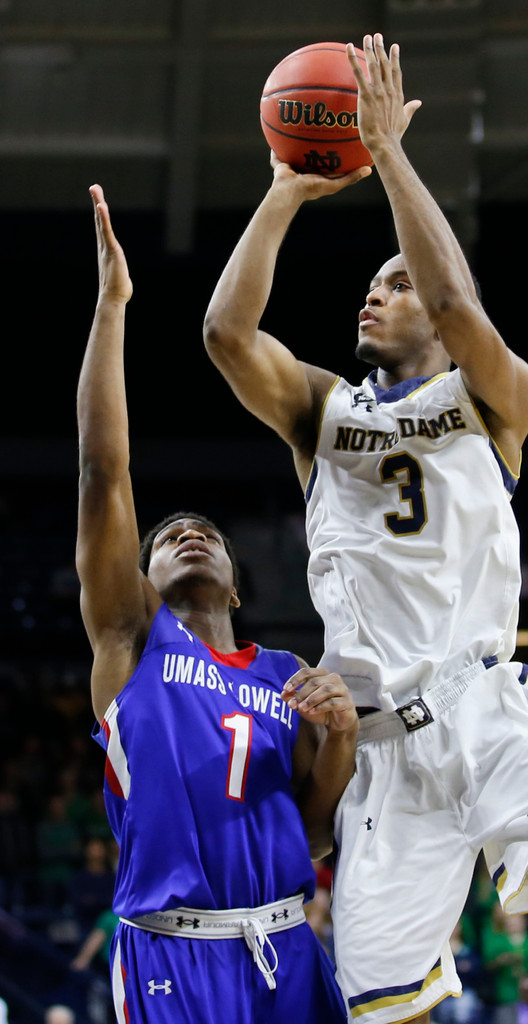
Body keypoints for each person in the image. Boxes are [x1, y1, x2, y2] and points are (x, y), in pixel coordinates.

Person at [203, 32, 528, 1024]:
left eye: (395, 282)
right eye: (370, 284)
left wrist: (385, 152)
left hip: (487, 705)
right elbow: (224, 336)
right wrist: (288, 189)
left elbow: (460, 299)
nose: (374, 291)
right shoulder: (324, 413)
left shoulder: (496, 399)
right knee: (391, 1014)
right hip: (381, 752)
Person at [77, 184, 358, 1023]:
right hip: (171, 951)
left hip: (287, 946)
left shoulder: (288, 674)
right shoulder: (133, 642)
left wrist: (339, 736)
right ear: (140, 576)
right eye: (168, 538)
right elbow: (103, 474)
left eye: (206, 532)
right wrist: (111, 310)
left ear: (237, 584)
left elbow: (314, 831)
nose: (190, 534)